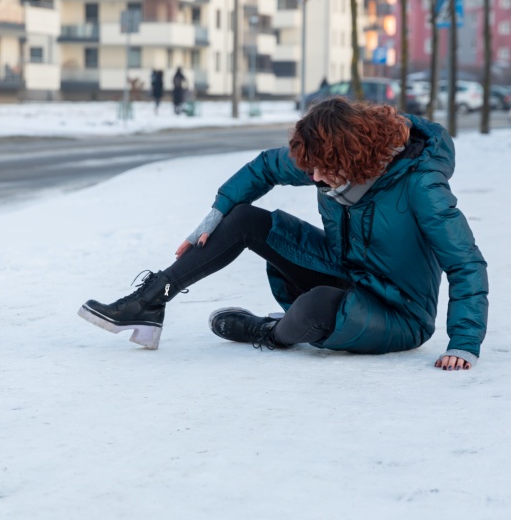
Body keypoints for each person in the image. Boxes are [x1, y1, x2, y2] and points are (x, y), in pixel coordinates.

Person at [78, 97, 488, 371]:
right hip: (344, 270)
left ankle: (268, 332)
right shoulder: (326, 164)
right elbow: (266, 167)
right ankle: (150, 301)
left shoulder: (421, 186)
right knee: (242, 218)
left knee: (313, 307)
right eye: (308, 169)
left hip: (397, 312)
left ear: (353, 156)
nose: (312, 178)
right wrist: (216, 211)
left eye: (320, 170)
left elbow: (465, 261)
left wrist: (463, 344)